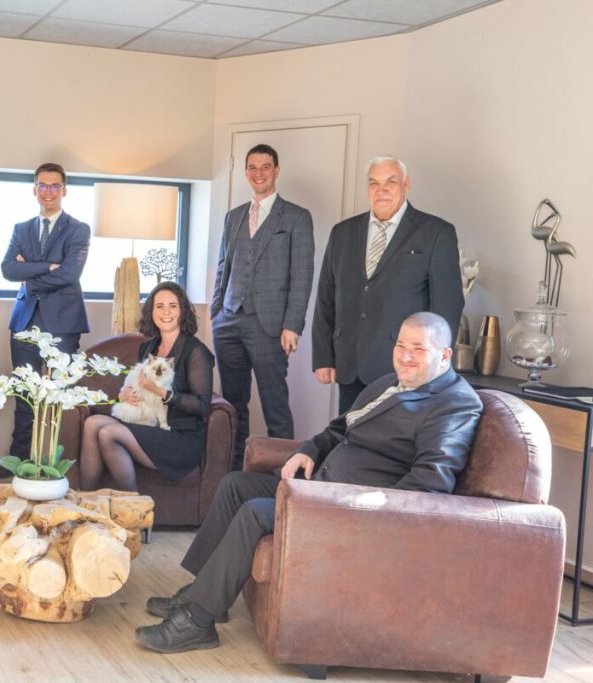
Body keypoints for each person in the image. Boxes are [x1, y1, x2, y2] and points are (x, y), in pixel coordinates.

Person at [135, 312, 482, 654]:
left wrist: (353, 501)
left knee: (255, 513)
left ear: (445, 355)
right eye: (401, 345)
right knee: (234, 486)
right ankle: (203, 592)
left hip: (349, 509)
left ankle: (197, 622)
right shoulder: (389, 382)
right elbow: (339, 429)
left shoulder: (455, 405)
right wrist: (308, 451)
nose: (405, 356)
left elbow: (429, 484)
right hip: (318, 485)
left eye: (418, 349)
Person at [312, 156, 464, 414]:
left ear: (406, 184)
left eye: (390, 182)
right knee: (349, 434)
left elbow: (447, 306)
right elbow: (325, 298)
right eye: (374, 183)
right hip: (350, 365)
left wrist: (435, 365)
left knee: (394, 438)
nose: (381, 190)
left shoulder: (436, 232)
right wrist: (323, 356)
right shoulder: (342, 233)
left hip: (406, 369)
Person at [210, 143, 314, 466]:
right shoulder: (234, 217)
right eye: (253, 168)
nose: (259, 173)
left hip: (270, 326)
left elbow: (302, 275)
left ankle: (281, 476)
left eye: (265, 167)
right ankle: (234, 469)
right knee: (233, 405)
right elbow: (223, 266)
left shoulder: (296, 217)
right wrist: (216, 313)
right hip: (228, 321)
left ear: (276, 171)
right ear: (246, 172)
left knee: (275, 405)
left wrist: (292, 325)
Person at [0, 162, 90, 480]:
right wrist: (47, 266)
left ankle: (58, 466)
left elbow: (70, 273)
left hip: (64, 322)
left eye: (54, 185)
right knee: (25, 396)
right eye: (43, 185)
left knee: (61, 396)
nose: (48, 191)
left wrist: (30, 274)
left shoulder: (78, 229)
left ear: (64, 190)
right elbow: (8, 269)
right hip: (25, 320)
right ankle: (19, 464)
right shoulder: (21, 229)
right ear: (35, 189)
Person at [80, 282, 214, 492]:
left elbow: (202, 406)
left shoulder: (196, 352)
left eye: (173, 306)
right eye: (159, 306)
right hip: (148, 422)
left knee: (107, 433)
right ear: (152, 311)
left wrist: (159, 391)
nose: (166, 312)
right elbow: (136, 383)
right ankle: (84, 500)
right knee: (91, 423)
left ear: (182, 311)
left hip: (179, 435)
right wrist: (124, 393)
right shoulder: (148, 347)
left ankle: (135, 508)